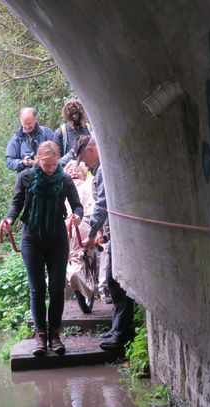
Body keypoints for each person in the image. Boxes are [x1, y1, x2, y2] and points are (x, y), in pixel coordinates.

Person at [1, 141, 84, 356]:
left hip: (57, 239)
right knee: (37, 288)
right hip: (32, 239)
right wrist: (10, 219)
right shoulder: (26, 177)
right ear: (38, 160)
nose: (50, 169)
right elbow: (17, 203)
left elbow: (77, 205)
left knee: (56, 288)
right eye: (46, 165)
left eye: (54, 165)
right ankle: (40, 335)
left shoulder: (64, 180)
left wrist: (77, 216)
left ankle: (55, 334)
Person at [72, 134, 134, 350]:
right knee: (114, 281)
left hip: (121, 234)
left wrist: (92, 233)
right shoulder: (100, 168)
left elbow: (102, 202)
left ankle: (122, 333)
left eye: (83, 158)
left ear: (91, 149)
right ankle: (119, 329)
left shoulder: (102, 168)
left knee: (116, 281)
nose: (84, 164)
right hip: (116, 232)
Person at [63, 160, 95, 301]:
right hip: (65, 221)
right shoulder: (62, 187)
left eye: (77, 171)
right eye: (70, 171)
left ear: (83, 174)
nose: (74, 173)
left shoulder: (89, 185)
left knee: (80, 230)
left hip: (82, 220)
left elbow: (92, 203)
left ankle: (78, 270)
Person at [5, 107, 55, 172]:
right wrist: (23, 162)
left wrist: (40, 162)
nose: (27, 127)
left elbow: (55, 154)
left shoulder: (47, 133)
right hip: (25, 177)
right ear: (21, 121)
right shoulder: (16, 138)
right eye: (25, 124)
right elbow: (9, 162)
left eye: (30, 123)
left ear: (35, 119)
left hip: (46, 173)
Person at [54, 99, 92, 166]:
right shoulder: (61, 132)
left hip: (88, 170)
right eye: (71, 114)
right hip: (69, 170)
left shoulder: (89, 128)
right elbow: (56, 161)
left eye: (76, 113)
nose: (74, 116)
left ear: (80, 113)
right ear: (67, 115)